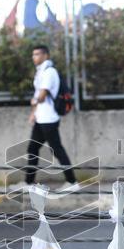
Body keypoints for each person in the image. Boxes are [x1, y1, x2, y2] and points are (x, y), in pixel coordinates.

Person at [21, 44, 78, 192]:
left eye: (38, 54)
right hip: (41, 118)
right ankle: (28, 183)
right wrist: (33, 113)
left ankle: (72, 182)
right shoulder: (41, 72)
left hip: (49, 119)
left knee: (57, 149)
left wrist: (33, 102)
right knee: (33, 148)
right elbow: (38, 95)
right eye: (33, 54)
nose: (35, 57)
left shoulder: (49, 72)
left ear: (46, 55)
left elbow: (41, 95)